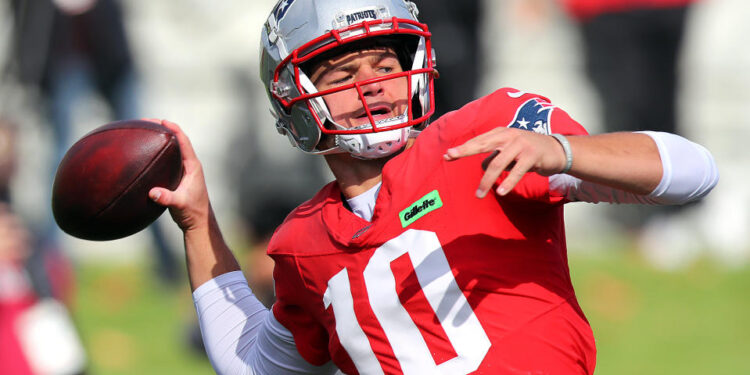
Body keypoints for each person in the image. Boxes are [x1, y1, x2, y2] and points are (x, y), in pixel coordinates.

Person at [149, 0, 718, 373]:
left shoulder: (482, 136)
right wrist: (199, 223)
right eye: (344, 76)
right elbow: (254, 364)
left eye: (385, 65)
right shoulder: (303, 243)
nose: (373, 86)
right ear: (294, 97)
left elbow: (693, 172)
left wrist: (567, 152)